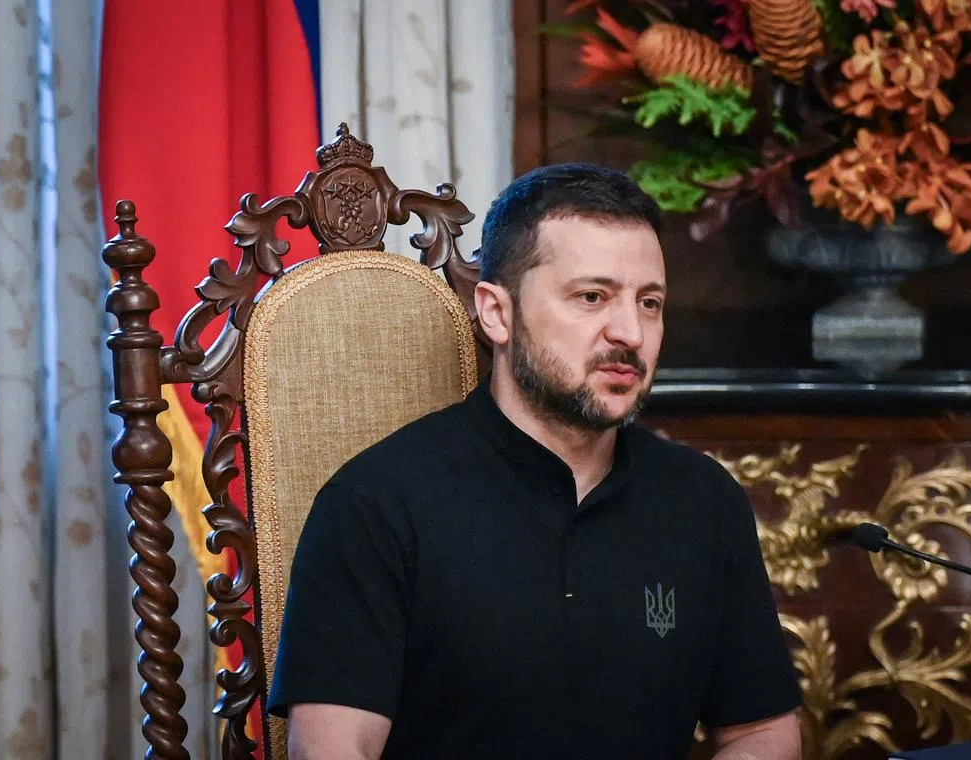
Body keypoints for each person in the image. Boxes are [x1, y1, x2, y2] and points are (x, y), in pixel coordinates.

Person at [268, 163, 803, 759]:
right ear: (497, 312)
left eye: (649, 303)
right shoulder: (375, 505)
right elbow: (332, 752)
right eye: (592, 297)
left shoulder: (704, 500)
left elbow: (763, 731)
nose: (629, 331)